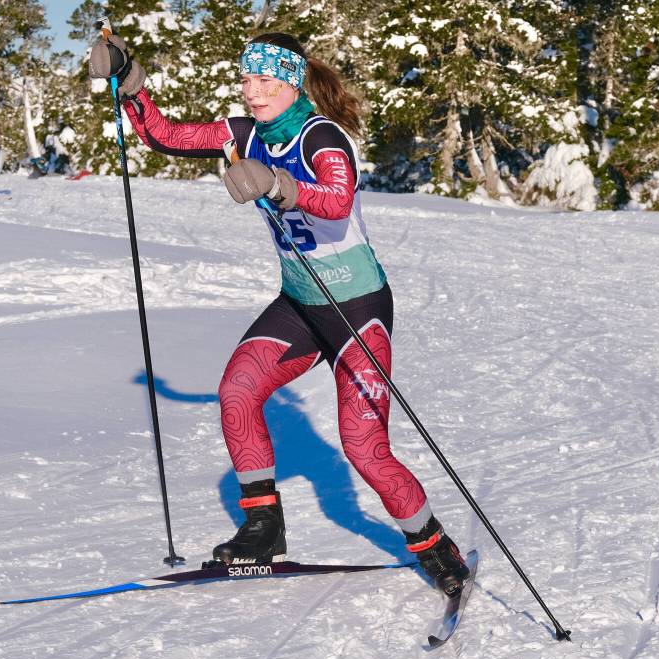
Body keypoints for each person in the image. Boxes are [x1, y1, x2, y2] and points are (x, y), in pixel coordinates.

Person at [89, 32, 471, 597]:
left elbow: (336, 199)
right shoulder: (242, 134)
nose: (252, 90)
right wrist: (130, 80)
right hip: (299, 301)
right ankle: (264, 527)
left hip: (356, 308)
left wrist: (276, 182)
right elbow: (164, 138)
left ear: (292, 83)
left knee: (364, 447)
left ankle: (434, 546)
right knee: (237, 390)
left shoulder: (322, 136)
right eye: (246, 79)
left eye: (265, 80)